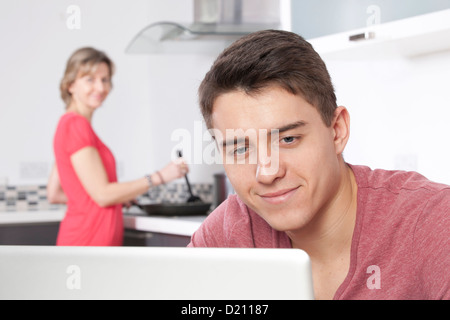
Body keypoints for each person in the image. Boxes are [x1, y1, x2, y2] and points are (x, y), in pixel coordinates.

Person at [188, 30, 450, 300]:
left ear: (337, 130)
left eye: (288, 139)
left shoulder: (433, 223)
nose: (266, 172)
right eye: (241, 149)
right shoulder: (231, 232)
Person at [47, 47, 188, 246]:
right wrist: (160, 176)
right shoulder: (76, 126)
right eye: (90, 80)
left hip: (83, 242)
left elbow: (55, 193)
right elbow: (103, 195)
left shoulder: (68, 125)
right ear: (71, 85)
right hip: (87, 243)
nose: (100, 87)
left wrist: (117, 198)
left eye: (105, 80)